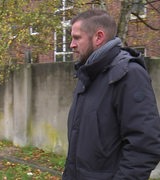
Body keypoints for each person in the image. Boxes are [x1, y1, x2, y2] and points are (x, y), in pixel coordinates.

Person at [63, 9, 160, 180]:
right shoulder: (88, 74)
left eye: (77, 38)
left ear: (98, 37)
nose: (71, 44)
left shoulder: (129, 73)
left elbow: (145, 145)